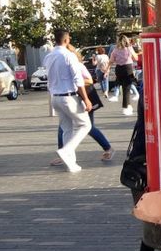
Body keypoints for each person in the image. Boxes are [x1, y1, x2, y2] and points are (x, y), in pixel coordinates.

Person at [50, 46, 114, 165]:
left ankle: (108, 148)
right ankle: (62, 153)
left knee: (88, 127)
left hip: (86, 97)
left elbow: (89, 80)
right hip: (73, 99)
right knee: (63, 128)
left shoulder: (78, 65)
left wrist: (73, 83)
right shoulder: (63, 66)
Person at [123, 84, 158, 251]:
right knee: (157, 216)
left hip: (139, 162)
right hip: (151, 163)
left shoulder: (149, 85)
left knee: (151, 217)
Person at [44, 29, 93, 172]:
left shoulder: (49, 56)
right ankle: (67, 150)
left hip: (55, 97)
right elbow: (78, 80)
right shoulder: (69, 56)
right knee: (85, 125)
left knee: (67, 129)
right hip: (69, 96)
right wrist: (86, 99)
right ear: (66, 40)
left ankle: (71, 163)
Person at [110, 36, 139, 115]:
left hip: (119, 69)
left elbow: (111, 60)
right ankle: (126, 107)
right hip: (127, 68)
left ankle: (128, 105)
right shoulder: (129, 48)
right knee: (127, 88)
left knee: (123, 87)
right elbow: (136, 58)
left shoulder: (115, 50)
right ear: (127, 41)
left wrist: (107, 70)